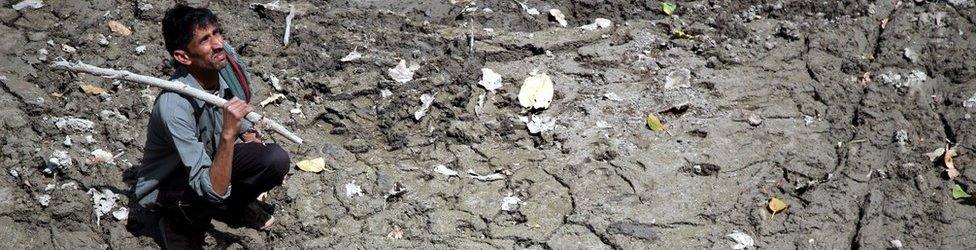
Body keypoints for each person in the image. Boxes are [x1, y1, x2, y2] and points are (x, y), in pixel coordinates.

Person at [131, 5, 290, 248]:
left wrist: (246, 130)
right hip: (172, 185)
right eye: (205, 40)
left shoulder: (221, 68)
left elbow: (233, 104)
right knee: (203, 203)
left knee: (273, 159)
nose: (218, 44)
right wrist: (228, 134)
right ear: (183, 57)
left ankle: (230, 209)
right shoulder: (174, 106)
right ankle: (175, 226)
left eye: (217, 33)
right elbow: (210, 187)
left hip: (209, 162)